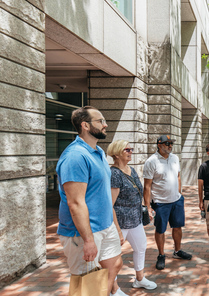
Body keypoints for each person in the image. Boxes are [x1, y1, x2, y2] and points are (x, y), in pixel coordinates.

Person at [56, 106, 126, 296]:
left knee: (115, 264)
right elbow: (75, 203)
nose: (106, 124)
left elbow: (102, 194)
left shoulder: (99, 152)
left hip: (105, 225)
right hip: (83, 232)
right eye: (100, 121)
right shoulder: (75, 157)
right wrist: (88, 240)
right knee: (86, 284)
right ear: (85, 125)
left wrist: (115, 227)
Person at [107, 140, 157, 290]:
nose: (130, 152)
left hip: (135, 220)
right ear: (116, 154)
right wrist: (116, 228)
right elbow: (111, 204)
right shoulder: (114, 174)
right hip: (120, 221)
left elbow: (138, 192)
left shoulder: (131, 170)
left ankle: (139, 279)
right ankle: (112, 287)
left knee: (141, 247)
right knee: (114, 256)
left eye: (131, 149)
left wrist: (146, 208)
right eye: (126, 150)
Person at [143, 135, 192, 271]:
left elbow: (178, 176)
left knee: (177, 227)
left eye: (171, 143)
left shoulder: (175, 158)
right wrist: (147, 206)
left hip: (176, 200)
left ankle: (177, 251)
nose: (170, 146)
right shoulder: (151, 161)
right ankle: (161, 255)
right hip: (160, 202)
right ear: (159, 145)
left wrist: (179, 193)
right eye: (167, 143)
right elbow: (147, 186)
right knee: (160, 230)